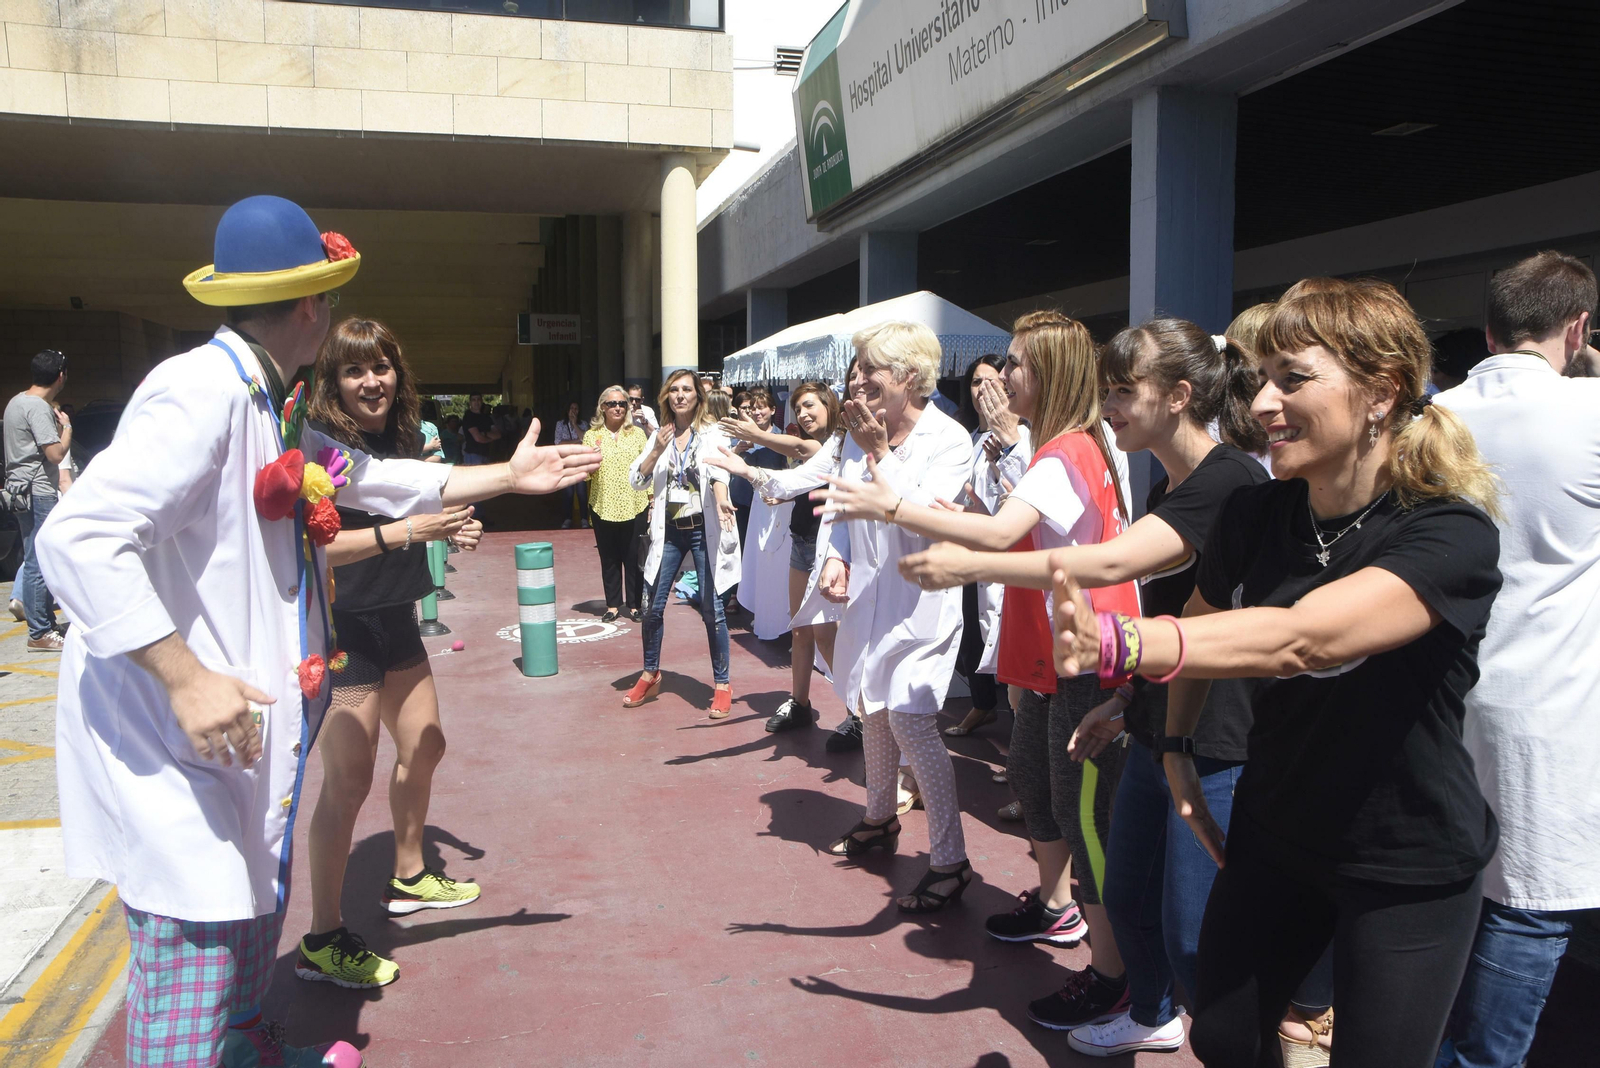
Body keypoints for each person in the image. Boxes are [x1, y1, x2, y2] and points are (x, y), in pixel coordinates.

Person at [34, 195, 600, 1068]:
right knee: (195, 943)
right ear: (313, 305)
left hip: (241, 733)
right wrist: (184, 678)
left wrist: (507, 475)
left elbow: (374, 477)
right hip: (177, 740)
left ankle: (246, 1049)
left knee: (249, 907)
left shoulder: (269, 401)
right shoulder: (200, 391)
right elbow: (78, 538)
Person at [1050, 277, 1503, 1068]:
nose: (1262, 403)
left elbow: (1305, 640)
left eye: (1292, 380)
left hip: (1406, 857)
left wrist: (1120, 643)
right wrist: (1177, 746)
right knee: (1223, 1036)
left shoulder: (1448, 531)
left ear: (1380, 392)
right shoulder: (1257, 513)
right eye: (1261, 379)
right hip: (1278, 829)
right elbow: (1202, 619)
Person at [900, 319, 1281, 1057]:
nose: (1110, 406)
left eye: (1123, 392)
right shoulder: (1174, 481)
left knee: (1194, 932)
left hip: (1216, 737)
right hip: (1153, 718)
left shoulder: (1230, 479)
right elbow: (1170, 616)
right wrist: (1126, 700)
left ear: (1179, 396)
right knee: (1126, 885)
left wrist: (944, 543)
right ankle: (1149, 1007)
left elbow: (1110, 566)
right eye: (1106, 390)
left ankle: (1202, 1024)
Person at [823, 311, 1137, 1022]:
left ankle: (1117, 977)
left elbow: (996, 531)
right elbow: (1001, 520)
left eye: (1016, 363)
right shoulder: (1049, 448)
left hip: (1084, 652)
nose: (999, 377)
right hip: (1047, 648)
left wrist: (904, 507)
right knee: (1035, 781)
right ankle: (1056, 905)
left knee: (1084, 817)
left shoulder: (1063, 450)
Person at [1435, 251, 1600, 1068]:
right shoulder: (1590, 413)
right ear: (1579, 327)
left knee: (1447, 890)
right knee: (1529, 899)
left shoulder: (1433, 417)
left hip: (1436, 696)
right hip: (1546, 708)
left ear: (1491, 328)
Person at [300, 318, 486, 991]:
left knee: (427, 743)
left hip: (397, 616)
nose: (371, 381)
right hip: (344, 629)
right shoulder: (321, 450)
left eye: (380, 367)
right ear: (334, 381)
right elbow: (317, 547)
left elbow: (423, 509)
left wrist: (450, 529)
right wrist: (409, 530)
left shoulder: (404, 439)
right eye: (354, 370)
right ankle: (322, 937)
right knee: (348, 782)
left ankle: (409, 873)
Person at [811, 321, 975, 912]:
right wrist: (836, 556)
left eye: (871, 369)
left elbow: (926, 516)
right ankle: (879, 818)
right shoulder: (862, 433)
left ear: (908, 375)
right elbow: (844, 506)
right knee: (871, 710)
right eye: (856, 369)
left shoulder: (949, 440)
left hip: (921, 605)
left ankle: (951, 860)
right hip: (871, 603)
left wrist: (882, 453)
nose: (858, 381)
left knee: (910, 721)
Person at [709, 381, 844, 731]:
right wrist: (782, 494)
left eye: (810, 405)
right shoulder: (819, 447)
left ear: (830, 405)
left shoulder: (831, 444)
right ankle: (800, 703)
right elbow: (800, 482)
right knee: (800, 629)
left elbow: (800, 447)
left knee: (826, 635)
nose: (804, 413)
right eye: (798, 408)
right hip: (801, 541)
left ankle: (859, 714)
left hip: (830, 548)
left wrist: (758, 436)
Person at [623, 369, 739, 718]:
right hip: (670, 531)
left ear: (697, 396)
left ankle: (722, 684)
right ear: (666, 397)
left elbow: (720, 471)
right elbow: (637, 480)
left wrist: (722, 499)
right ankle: (651, 673)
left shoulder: (712, 432)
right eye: (674, 390)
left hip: (703, 529)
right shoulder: (660, 435)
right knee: (651, 607)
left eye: (687, 389)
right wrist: (656, 450)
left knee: (712, 610)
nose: (680, 395)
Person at [944, 353, 1026, 738]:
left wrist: (1001, 462)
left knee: (1007, 642)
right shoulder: (966, 437)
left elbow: (1015, 496)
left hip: (1002, 555)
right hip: (967, 549)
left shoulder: (1018, 438)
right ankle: (983, 705)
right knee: (971, 634)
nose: (983, 390)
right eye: (976, 382)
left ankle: (1017, 730)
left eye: (992, 381)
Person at [718, 387, 800, 641]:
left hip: (773, 507)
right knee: (745, 551)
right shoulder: (742, 437)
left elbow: (790, 467)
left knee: (770, 558)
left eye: (761, 407)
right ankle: (744, 598)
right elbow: (726, 464)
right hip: (743, 501)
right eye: (753, 408)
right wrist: (739, 449)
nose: (757, 412)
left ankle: (772, 608)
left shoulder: (782, 437)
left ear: (773, 410)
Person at [4, 348, 71, 651]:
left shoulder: (16, 402)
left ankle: (44, 624)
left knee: (34, 557)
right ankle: (40, 632)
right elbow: (55, 454)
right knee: (39, 560)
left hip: (20, 491)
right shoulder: (38, 407)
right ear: (61, 376)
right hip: (38, 490)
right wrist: (67, 427)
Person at [584, 386, 650, 623]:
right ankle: (612, 605)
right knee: (609, 558)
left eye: (622, 403)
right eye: (612, 404)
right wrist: (589, 464)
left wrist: (651, 499)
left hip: (635, 504)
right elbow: (585, 474)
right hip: (603, 505)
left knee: (634, 558)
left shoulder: (637, 434)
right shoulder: (591, 436)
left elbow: (647, 468)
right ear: (602, 407)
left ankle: (634, 605)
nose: (618, 408)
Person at [555, 400, 590, 528]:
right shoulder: (560, 425)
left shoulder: (583, 424)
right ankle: (567, 518)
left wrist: (574, 424)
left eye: (576, 409)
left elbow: (586, 440)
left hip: (581, 462)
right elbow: (558, 443)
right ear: (567, 410)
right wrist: (577, 441)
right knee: (568, 492)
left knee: (581, 492)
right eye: (571, 408)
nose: (573, 411)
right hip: (566, 462)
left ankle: (584, 518)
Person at [459, 392, 499, 465]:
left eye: (478, 399)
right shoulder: (468, 417)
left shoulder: (487, 417)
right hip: (473, 454)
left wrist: (485, 434)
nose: (476, 402)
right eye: (474, 400)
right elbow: (478, 438)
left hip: (486, 454)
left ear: (482, 401)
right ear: (470, 403)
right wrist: (491, 439)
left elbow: (498, 435)